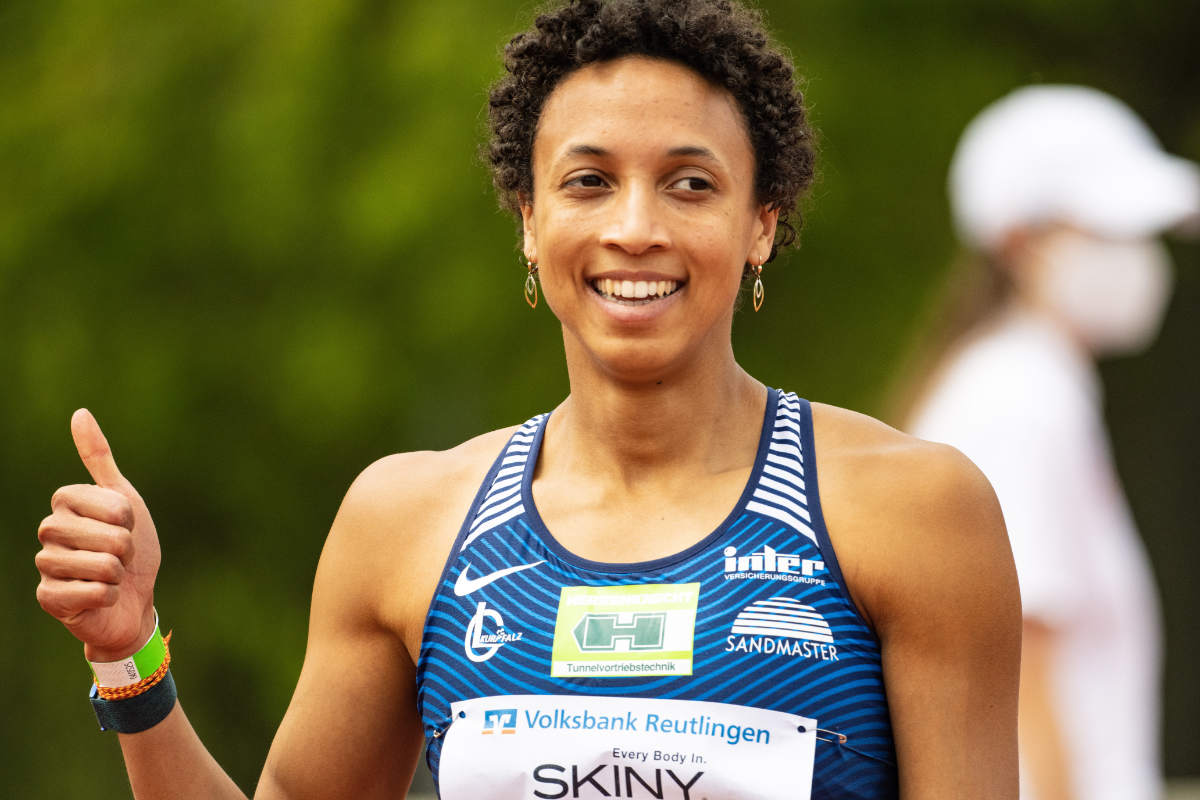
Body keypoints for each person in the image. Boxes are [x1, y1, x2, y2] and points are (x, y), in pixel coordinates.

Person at [35, 1, 1020, 797]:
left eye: (689, 184)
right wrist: (131, 659)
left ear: (762, 223)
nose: (635, 227)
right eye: (589, 180)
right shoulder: (407, 520)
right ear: (529, 219)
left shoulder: (911, 511)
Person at [907, 85, 1200, 800]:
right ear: (1019, 241)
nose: (1136, 259)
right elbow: (1015, 659)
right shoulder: (1017, 395)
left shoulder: (1034, 384)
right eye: (1106, 231)